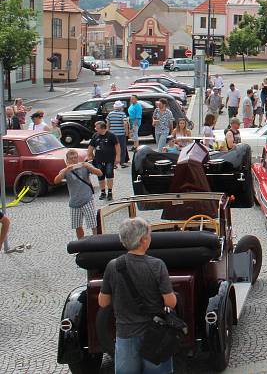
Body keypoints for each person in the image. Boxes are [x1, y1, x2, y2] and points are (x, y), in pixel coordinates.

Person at [98, 217, 177, 374]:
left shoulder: (113, 266)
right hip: (154, 334)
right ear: (143, 240)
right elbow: (171, 302)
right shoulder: (157, 265)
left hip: (125, 334)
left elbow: (103, 302)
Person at [54, 149, 102, 239]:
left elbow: (99, 173)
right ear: (67, 160)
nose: (74, 160)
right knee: (77, 226)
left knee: (93, 224)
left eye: (75, 157)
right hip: (74, 203)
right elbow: (56, 181)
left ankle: (96, 241)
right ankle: (80, 243)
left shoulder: (84, 167)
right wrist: (65, 170)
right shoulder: (65, 170)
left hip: (87, 199)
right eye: (71, 158)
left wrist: (89, 167)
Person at [87, 121, 120, 201]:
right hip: (98, 160)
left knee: (109, 175)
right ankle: (103, 192)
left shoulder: (111, 135)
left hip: (109, 160)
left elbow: (117, 146)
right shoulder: (95, 135)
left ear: (102, 128)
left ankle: (110, 192)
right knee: (100, 175)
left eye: (97, 128)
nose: (95, 129)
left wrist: (118, 157)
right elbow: (91, 146)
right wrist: (89, 156)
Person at [107, 101, 130, 167]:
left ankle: (114, 163)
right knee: (122, 148)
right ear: (120, 107)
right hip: (121, 134)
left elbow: (108, 124)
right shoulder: (122, 114)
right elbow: (125, 123)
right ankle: (122, 163)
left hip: (112, 134)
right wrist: (127, 132)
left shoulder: (110, 114)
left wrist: (108, 132)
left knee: (113, 148)